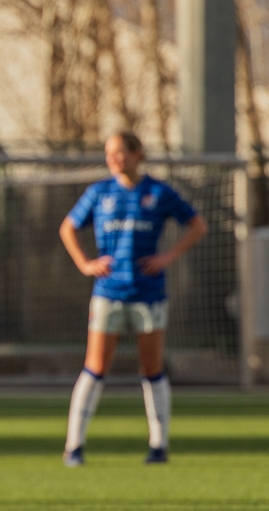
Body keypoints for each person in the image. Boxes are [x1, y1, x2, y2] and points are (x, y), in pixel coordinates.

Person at [58, 132, 207, 466]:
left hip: (148, 294)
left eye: (120, 152)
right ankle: (74, 446)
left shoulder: (159, 192)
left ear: (138, 154)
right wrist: (85, 264)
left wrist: (167, 257)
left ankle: (159, 445)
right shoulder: (99, 192)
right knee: (95, 367)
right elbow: (67, 228)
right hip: (108, 293)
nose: (114, 159)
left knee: (151, 367)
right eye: (109, 153)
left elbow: (198, 225)